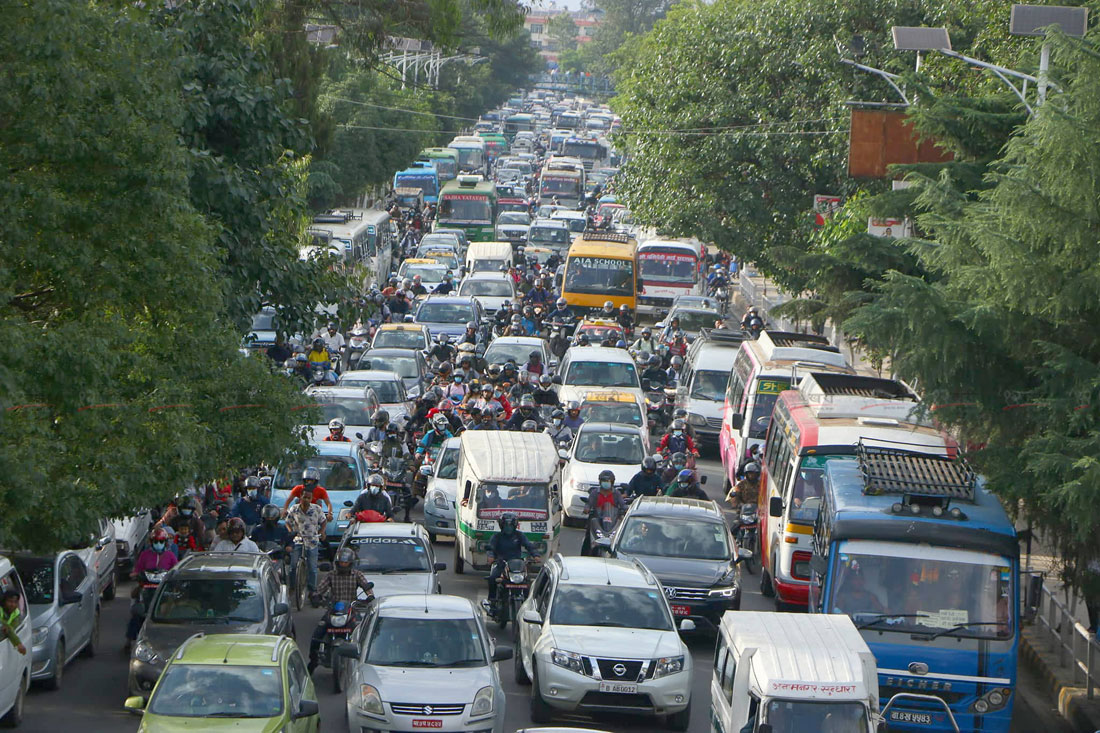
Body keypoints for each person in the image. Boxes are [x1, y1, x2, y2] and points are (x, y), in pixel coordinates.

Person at [308, 547, 375, 673]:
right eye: (342, 562)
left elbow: (366, 586)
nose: (344, 565)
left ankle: (364, 660)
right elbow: (320, 589)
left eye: (346, 562)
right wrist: (316, 596)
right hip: (333, 610)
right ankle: (313, 661)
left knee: (364, 634)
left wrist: (370, 596)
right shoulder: (331, 575)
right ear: (338, 563)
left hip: (351, 611)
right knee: (317, 635)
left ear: (351, 563)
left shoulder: (357, 575)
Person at [127, 528, 178, 646]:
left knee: (169, 611)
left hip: (163, 591)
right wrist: (135, 574)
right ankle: (129, 639)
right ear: (151, 542)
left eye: (161, 541)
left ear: (165, 542)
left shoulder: (170, 556)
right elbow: (137, 569)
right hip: (145, 588)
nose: (158, 544)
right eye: (156, 541)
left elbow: (176, 569)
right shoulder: (145, 555)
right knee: (136, 611)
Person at [485, 514, 540, 608]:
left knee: (527, 582)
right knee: (492, 578)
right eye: (506, 525)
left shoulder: (519, 535)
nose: (508, 528)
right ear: (502, 526)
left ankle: (529, 604)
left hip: (517, 565)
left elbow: (528, 545)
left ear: (514, 526)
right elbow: (491, 548)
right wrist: (490, 556)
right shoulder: (496, 537)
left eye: (510, 525)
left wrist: (536, 555)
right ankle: (492, 602)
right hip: (501, 564)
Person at [286, 485, 327, 596]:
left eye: (309, 498)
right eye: (304, 497)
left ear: (312, 498)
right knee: (293, 566)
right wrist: (291, 532)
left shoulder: (316, 509)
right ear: (300, 497)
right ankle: (293, 587)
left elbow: (323, 521)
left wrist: (322, 532)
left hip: (312, 540)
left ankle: (312, 590)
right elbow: (287, 522)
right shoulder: (294, 509)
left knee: (313, 568)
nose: (306, 500)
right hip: (298, 540)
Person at [582, 470, 627, 555]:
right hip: (597, 521)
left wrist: (626, 510)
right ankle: (585, 555)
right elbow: (589, 503)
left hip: (612, 523)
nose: (606, 483)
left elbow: (622, 504)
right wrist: (587, 509)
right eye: (604, 481)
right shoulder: (595, 493)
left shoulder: (616, 493)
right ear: (600, 482)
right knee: (588, 538)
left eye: (608, 481)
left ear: (612, 482)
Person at [1, 590, 27, 657]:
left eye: (15, 602)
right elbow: (4, 626)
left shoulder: (16, 613)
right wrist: (17, 643)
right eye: (10, 601)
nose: (13, 605)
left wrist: (7, 630)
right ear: (4, 602)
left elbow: (11, 628)